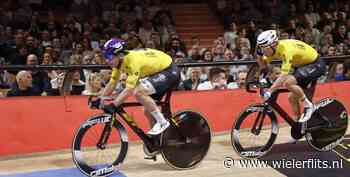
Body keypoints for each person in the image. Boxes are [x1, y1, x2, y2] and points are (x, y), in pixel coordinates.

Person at [100, 38, 180, 135]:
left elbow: (129, 89)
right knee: (148, 111)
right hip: (157, 72)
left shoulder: (133, 61)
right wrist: (100, 98)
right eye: (105, 56)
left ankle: (163, 122)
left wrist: (114, 105)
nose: (107, 60)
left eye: (109, 57)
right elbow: (112, 83)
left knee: (138, 92)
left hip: (169, 71)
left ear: (120, 55)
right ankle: (158, 142)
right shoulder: (119, 63)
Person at [256, 30, 326, 124]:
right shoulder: (273, 50)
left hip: (315, 64)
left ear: (274, 44)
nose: (263, 51)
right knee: (292, 98)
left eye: (265, 48)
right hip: (302, 67)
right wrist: (259, 55)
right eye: (261, 48)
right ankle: (297, 126)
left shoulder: (286, 50)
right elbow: (263, 65)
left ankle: (309, 106)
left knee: (288, 83)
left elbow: (283, 75)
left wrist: (270, 91)